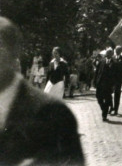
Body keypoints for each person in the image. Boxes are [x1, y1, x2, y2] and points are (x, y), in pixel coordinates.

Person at [0, 17, 84, 165]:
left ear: (13, 55)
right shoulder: (51, 63)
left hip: (58, 83)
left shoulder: (54, 114)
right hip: (52, 82)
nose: (55, 55)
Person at [94, 48, 116, 121]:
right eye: (107, 52)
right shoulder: (102, 61)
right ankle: (104, 109)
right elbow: (97, 72)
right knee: (98, 97)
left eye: (109, 53)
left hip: (108, 85)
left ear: (112, 54)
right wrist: (94, 81)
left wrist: (113, 86)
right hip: (100, 83)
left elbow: (116, 75)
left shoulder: (114, 63)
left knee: (106, 100)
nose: (107, 54)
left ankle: (104, 115)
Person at [110, 46, 122, 115]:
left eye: (119, 50)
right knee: (109, 94)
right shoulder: (112, 58)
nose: (117, 51)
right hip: (111, 79)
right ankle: (111, 107)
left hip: (118, 80)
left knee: (117, 94)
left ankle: (115, 109)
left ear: (121, 51)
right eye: (116, 50)